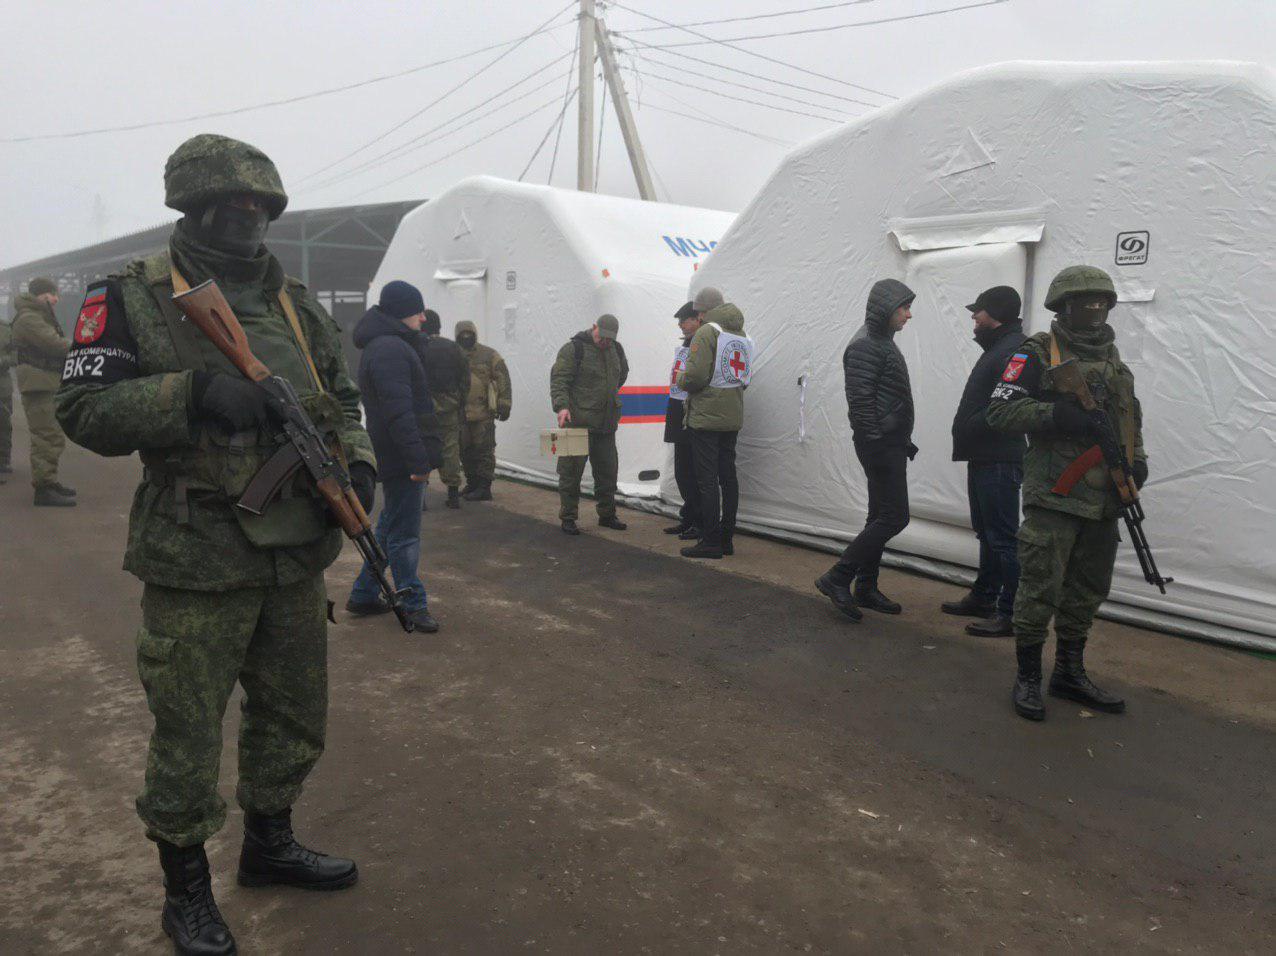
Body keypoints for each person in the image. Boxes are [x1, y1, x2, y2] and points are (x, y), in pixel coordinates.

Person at [56, 134, 374, 956]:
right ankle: (186, 891)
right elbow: (82, 413)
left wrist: (359, 464)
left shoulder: (293, 303)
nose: (250, 217)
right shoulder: (130, 296)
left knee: (293, 712)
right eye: (233, 204)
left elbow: (340, 399)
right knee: (188, 730)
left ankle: (270, 845)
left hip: (293, 553)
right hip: (196, 554)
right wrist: (191, 394)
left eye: (262, 205)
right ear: (191, 207)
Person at [986, 265, 1146, 722]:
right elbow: (999, 412)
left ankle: (1069, 673)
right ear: (1064, 307)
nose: (1095, 310)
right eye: (1085, 302)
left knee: (1087, 590)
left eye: (1102, 302)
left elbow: (1129, 420)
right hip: (1054, 495)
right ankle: (1028, 676)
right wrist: (1054, 415)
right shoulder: (1036, 353)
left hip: (1104, 497)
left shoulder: (1115, 362)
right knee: (1039, 587)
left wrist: (1137, 460)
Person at [814, 279, 918, 622]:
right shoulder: (866, 345)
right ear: (887, 308)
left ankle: (866, 587)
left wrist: (899, 439)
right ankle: (838, 577)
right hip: (880, 445)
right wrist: (878, 443)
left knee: (879, 516)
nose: (908, 315)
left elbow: (885, 398)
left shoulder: (880, 342)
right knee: (895, 517)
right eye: (904, 308)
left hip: (888, 443)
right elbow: (860, 402)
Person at [345, 281, 441, 633]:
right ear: (403, 312)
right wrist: (417, 461)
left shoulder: (389, 345)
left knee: (389, 527)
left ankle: (364, 594)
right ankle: (412, 603)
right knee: (405, 534)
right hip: (401, 456)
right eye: (418, 311)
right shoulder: (390, 349)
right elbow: (399, 413)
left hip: (396, 453)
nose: (423, 317)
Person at [942, 286, 1027, 637]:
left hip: (999, 459)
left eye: (979, 311)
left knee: (1003, 538)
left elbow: (1007, 407)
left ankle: (1011, 613)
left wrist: (971, 423)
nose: (974, 317)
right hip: (984, 456)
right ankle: (984, 596)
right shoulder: (998, 348)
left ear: (996, 314)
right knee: (987, 534)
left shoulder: (1015, 351)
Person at [675, 287, 752, 559]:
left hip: (706, 418)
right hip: (732, 416)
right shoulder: (740, 335)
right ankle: (726, 538)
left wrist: (680, 378)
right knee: (728, 478)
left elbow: (694, 376)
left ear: (703, 311)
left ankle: (710, 541)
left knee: (706, 480)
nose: (697, 316)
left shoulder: (706, 332)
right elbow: (744, 378)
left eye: (698, 312)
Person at [549, 314, 629, 535]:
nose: (605, 342)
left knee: (608, 474)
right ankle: (568, 517)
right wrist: (562, 407)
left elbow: (621, 375)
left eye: (609, 339)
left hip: (606, 425)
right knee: (570, 474)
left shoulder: (616, 350)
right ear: (594, 327)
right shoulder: (574, 349)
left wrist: (605, 396)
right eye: (602, 337)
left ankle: (607, 515)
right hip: (576, 423)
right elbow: (559, 380)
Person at [12, 276, 75, 506]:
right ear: (40, 294)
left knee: (50, 434)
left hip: (44, 382)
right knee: (46, 436)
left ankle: (49, 481)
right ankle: (44, 488)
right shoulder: (29, 318)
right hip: (38, 384)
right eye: (52, 294)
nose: (56, 299)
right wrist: (83, 345)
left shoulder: (36, 316)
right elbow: (53, 343)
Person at [416, 308, 468, 510]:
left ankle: (420, 499)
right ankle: (453, 495)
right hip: (449, 407)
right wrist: (459, 401)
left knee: (422, 448)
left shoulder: (417, 347)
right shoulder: (454, 348)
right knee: (450, 449)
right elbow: (465, 378)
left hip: (424, 407)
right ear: (438, 326)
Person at [455, 319, 511, 501]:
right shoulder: (452, 354)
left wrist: (504, 404)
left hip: (484, 413)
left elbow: (503, 377)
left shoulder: (489, 355)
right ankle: (472, 483)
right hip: (461, 414)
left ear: (475, 334)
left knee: (484, 450)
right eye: (462, 335)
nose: (466, 337)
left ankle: (484, 487)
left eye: (469, 334)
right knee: (465, 451)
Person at [662, 300, 702, 540]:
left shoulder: (703, 342)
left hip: (692, 411)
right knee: (682, 470)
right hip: (678, 409)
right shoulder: (687, 343)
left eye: (684, 321)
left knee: (693, 471)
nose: (680, 325)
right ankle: (688, 517)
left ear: (697, 319)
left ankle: (699, 521)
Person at [0, 309, 13, 481]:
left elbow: (15, 355)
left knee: (4, 424)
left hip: (2, 385)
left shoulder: (6, 328)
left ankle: (3, 460)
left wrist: (2, 361)